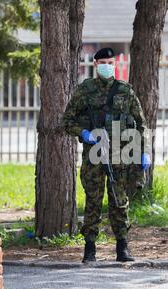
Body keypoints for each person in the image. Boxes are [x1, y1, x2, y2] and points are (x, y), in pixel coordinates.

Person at [63, 47, 151, 262]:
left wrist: (143, 151)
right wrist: (83, 132)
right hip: (94, 154)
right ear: (96, 65)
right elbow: (67, 121)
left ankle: (122, 247)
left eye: (110, 63)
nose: (106, 66)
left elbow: (141, 124)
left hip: (120, 155)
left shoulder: (125, 91)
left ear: (115, 65)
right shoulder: (85, 90)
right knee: (93, 200)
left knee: (119, 201)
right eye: (102, 63)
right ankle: (90, 249)